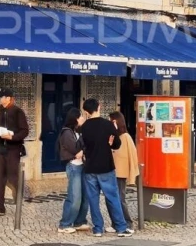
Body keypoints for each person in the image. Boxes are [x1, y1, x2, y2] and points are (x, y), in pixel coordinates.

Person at [80, 98, 133, 237]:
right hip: (106, 167)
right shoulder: (108, 125)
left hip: (90, 167)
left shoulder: (84, 127)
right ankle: (121, 227)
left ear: (86, 111)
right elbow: (117, 144)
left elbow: (83, 146)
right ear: (99, 107)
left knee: (93, 199)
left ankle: (98, 228)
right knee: (112, 197)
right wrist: (109, 143)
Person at [0, 88, 29, 218]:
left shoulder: (17, 112)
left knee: (13, 177)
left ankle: (19, 198)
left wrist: (12, 137)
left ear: (8, 98)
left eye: (0, 96)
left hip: (13, 149)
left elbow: (24, 131)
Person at [57, 107, 90, 233]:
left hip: (83, 166)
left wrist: (83, 149)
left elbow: (85, 147)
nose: (82, 118)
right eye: (81, 116)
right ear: (75, 118)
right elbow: (76, 150)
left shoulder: (77, 132)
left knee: (84, 197)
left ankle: (80, 221)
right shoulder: (66, 133)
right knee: (74, 196)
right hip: (74, 167)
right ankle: (65, 224)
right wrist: (82, 149)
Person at [110, 111, 139, 229]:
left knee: (120, 199)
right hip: (112, 171)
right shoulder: (113, 136)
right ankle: (116, 223)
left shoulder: (126, 137)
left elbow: (133, 156)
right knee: (112, 199)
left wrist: (132, 174)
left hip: (121, 173)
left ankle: (128, 222)